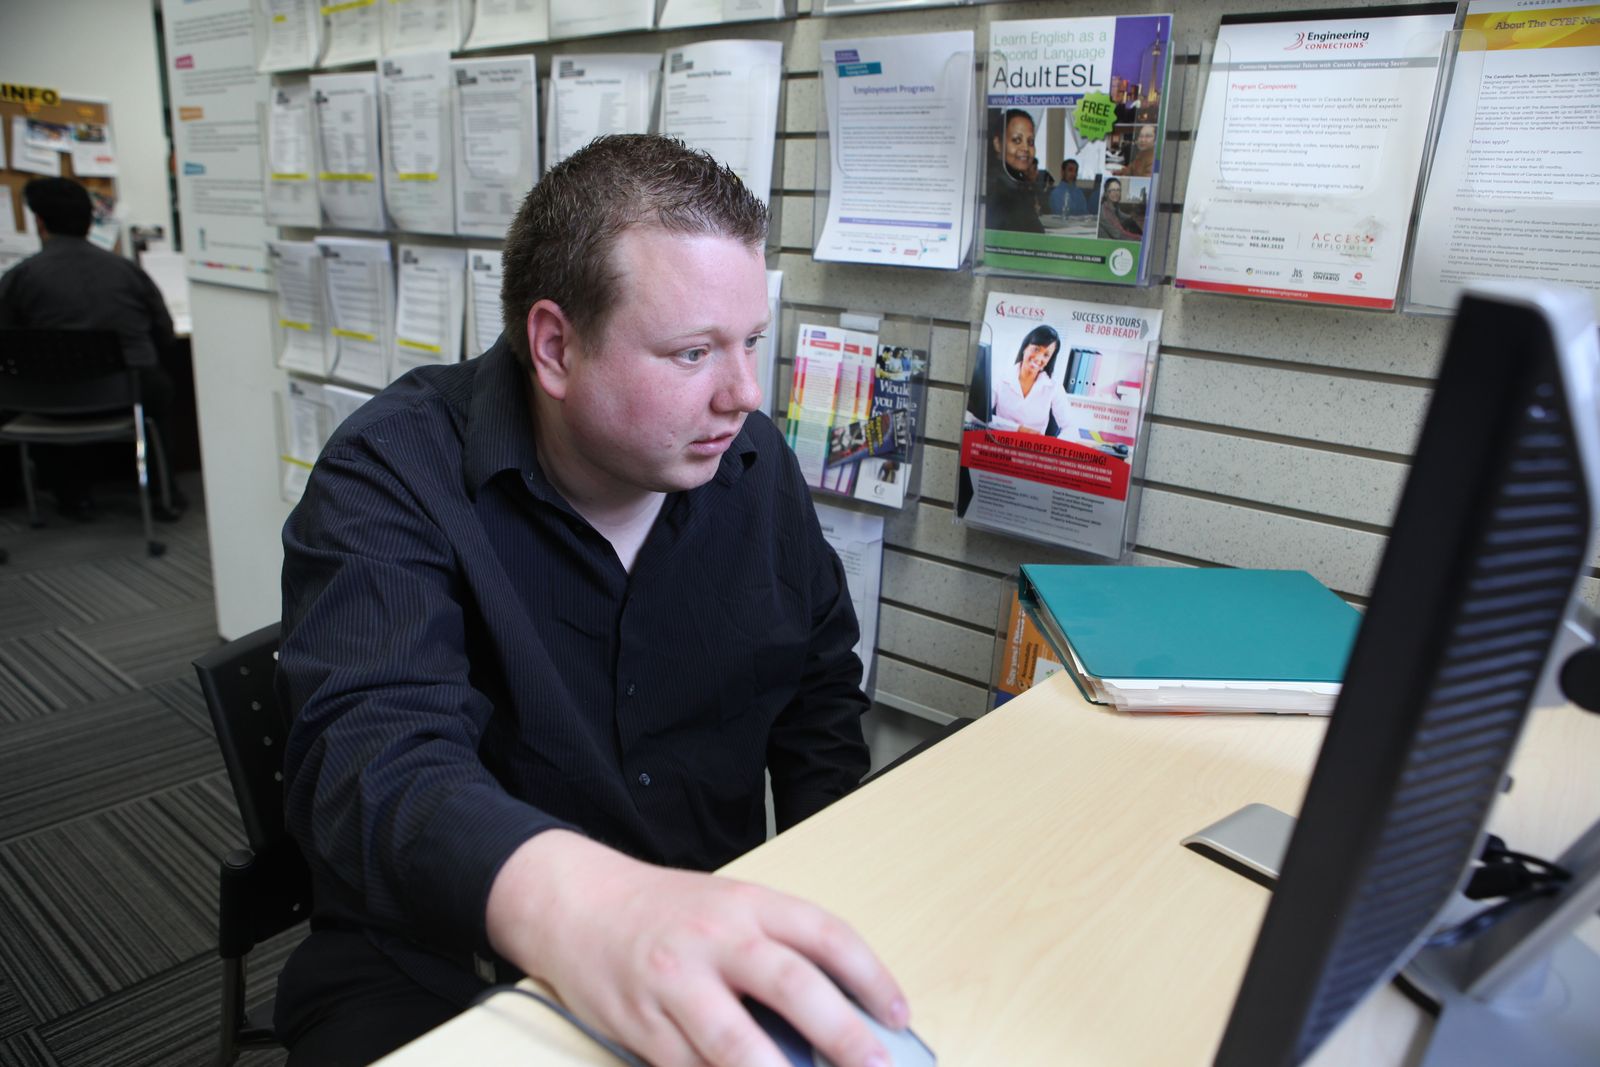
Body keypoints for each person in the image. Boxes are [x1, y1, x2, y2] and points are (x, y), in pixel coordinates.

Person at [273, 134, 910, 1067]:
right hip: (447, 967)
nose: (742, 394)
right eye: (694, 352)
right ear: (555, 345)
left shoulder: (752, 461)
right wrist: (596, 908)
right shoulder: (391, 471)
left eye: (750, 344)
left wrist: (833, 891)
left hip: (704, 939)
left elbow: (818, 694)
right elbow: (374, 757)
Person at [0, 177, 184, 519]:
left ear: (39, 222)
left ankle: (68, 497)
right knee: (161, 387)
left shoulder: (20, 278)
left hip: (46, 398)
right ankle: (164, 492)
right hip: (125, 392)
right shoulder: (127, 271)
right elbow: (165, 334)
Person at [990, 324, 1070, 434]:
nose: (1039, 358)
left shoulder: (1053, 386)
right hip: (1000, 442)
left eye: (1046, 355)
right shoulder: (1001, 377)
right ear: (1025, 348)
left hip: (1033, 447)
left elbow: (1069, 425)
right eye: (1036, 349)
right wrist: (1018, 429)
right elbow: (979, 416)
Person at [985, 108, 1044, 234]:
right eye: (1016, 140)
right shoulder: (999, 190)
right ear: (998, 144)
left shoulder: (1016, 183)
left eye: (1030, 142)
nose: (1026, 148)